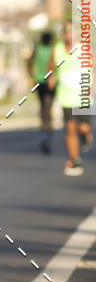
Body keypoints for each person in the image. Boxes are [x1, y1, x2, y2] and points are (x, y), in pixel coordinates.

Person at [49, 20, 93, 176]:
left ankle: (86, 135)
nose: (69, 33)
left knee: (83, 128)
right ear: (63, 34)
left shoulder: (84, 49)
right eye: (66, 30)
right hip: (66, 96)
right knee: (70, 128)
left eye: (71, 30)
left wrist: (92, 86)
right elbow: (51, 68)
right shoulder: (58, 49)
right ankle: (75, 160)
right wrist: (52, 78)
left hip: (83, 95)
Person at [27, 30, 55, 153]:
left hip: (44, 80)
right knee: (46, 106)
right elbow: (29, 62)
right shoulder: (49, 49)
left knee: (44, 106)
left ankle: (45, 127)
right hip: (44, 81)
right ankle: (46, 128)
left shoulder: (39, 49)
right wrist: (31, 74)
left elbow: (29, 62)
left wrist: (31, 74)